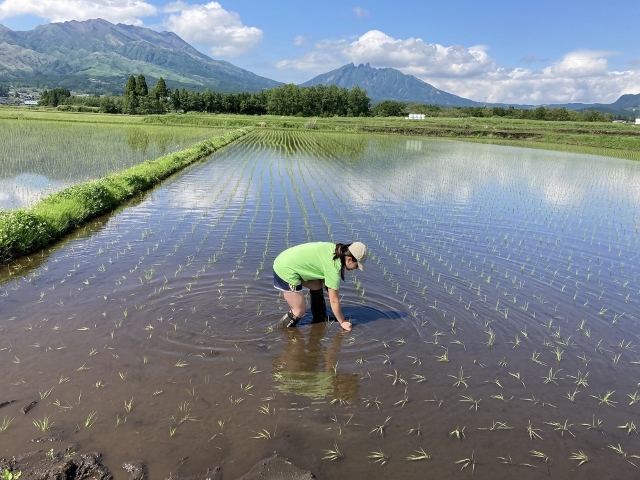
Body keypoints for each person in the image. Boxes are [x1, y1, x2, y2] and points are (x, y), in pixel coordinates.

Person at [273, 241, 367, 332]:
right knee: (299, 311)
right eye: (357, 265)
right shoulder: (333, 269)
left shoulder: (336, 250)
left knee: (316, 285)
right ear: (349, 259)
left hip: (286, 259)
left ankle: (319, 318)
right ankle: (279, 330)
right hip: (285, 269)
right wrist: (342, 321)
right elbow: (334, 301)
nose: (356, 268)